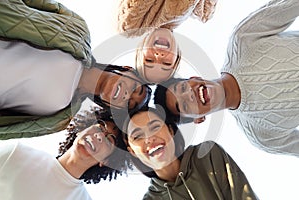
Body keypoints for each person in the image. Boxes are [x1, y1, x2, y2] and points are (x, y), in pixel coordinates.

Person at [154, 0, 299, 156]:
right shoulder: (261, 135)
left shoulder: (243, 39)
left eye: (182, 88)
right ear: (198, 119)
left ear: (194, 77)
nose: (189, 95)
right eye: (184, 105)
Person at [0, 0, 151, 139]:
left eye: (128, 103)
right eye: (135, 88)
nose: (126, 95)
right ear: (128, 70)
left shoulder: (58, 121)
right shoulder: (78, 29)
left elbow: (6, 130)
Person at [123, 108, 258, 199]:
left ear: (170, 130)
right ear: (132, 151)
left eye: (155, 127)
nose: (149, 138)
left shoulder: (207, 155)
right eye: (137, 136)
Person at [0, 107, 132, 200]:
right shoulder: (16, 153)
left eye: (109, 140)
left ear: (106, 161)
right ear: (81, 130)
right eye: (100, 127)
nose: (98, 136)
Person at [117, 0, 217, 84]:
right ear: (177, 55)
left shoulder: (131, 26)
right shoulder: (203, 12)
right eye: (166, 63)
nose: (158, 55)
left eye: (149, 60)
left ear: (140, 50)